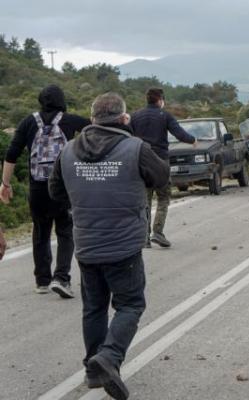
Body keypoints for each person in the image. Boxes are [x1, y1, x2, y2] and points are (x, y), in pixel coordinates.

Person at [49, 93, 169, 399]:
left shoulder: (67, 150)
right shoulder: (135, 148)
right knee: (131, 304)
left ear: (92, 119)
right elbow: (161, 176)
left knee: (94, 308)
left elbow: (55, 192)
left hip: (86, 244)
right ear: (124, 118)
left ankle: (93, 369)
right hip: (123, 245)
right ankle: (109, 357)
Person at [0, 85, 89, 297]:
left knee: (40, 232)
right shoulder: (70, 120)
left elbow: (11, 154)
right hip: (63, 188)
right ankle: (61, 278)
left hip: (37, 189)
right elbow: (97, 130)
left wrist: (5, 184)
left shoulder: (28, 122)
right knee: (65, 231)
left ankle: (42, 281)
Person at [130, 88, 197, 248]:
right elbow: (179, 134)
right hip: (160, 161)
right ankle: (158, 233)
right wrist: (192, 140)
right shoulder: (165, 115)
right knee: (163, 197)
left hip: (141, 161)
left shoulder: (135, 116)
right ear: (160, 100)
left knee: (144, 200)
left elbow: (127, 135)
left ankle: (144, 237)